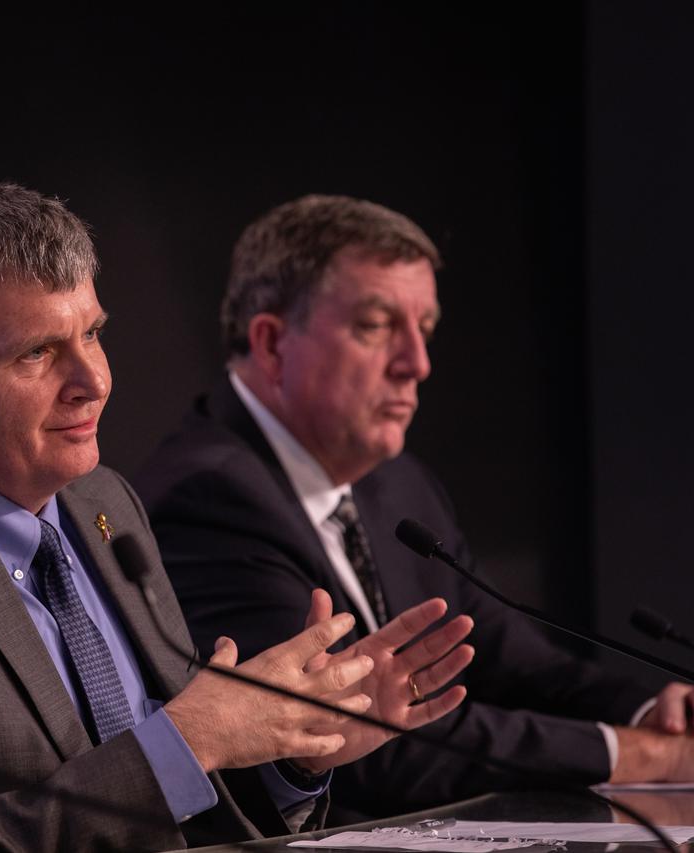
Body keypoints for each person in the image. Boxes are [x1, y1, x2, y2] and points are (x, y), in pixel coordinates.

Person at [0, 182, 475, 851]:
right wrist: (187, 739)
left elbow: (181, 803)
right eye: (38, 352)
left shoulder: (104, 503)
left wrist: (294, 754)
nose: (92, 379)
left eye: (92, 333)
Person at [132, 193, 694, 819]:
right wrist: (644, 757)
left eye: (423, 329)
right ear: (271, 343)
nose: (417, 365)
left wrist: (653, 712)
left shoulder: (397, 483)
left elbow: (510, 657)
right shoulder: (209, 501)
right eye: (375, 327)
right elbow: (359, 745)